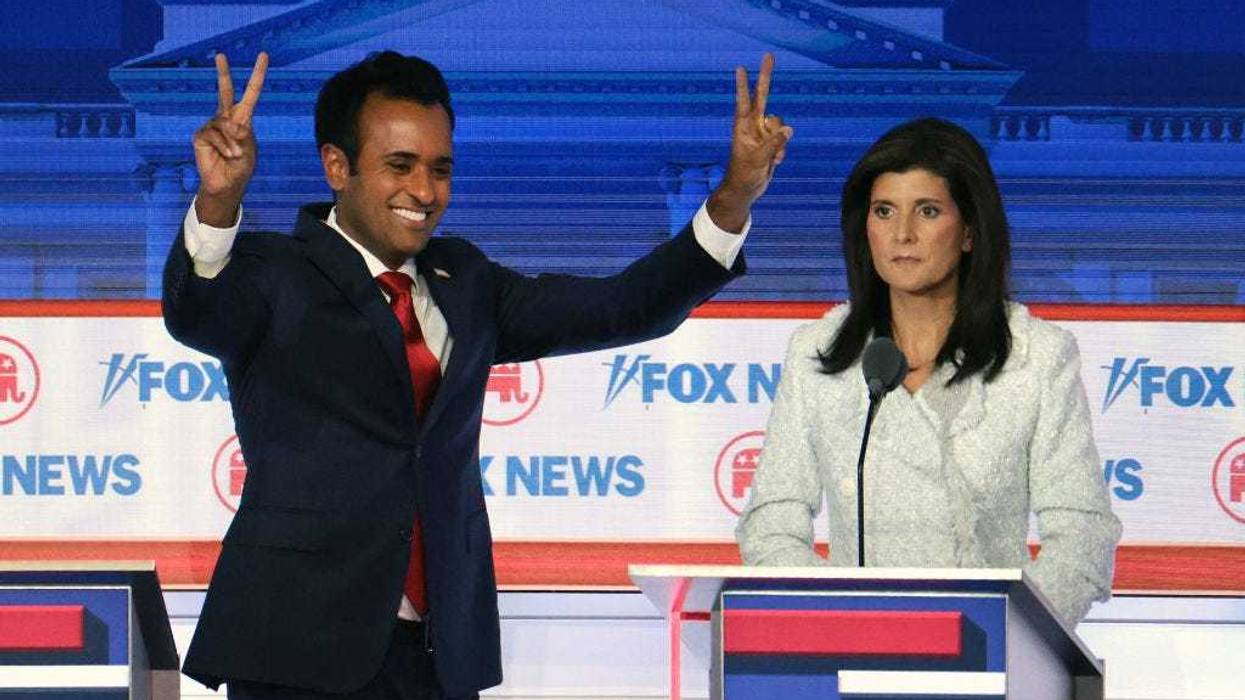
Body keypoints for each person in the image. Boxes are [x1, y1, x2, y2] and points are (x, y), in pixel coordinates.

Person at [164, 50, 792, 698]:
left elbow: (620, 308)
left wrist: (732, 197)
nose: (424, 191)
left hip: (440, 655)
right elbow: (197, 313)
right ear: (336, 167)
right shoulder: (274, 272)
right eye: (399, 166)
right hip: (292, 646)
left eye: (440, 169)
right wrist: (218, 201)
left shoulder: (464, 280)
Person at [735, 117, 1120, 626]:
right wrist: (840, 621)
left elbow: (1082, 538)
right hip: (854, 650)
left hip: (990, 656)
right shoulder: (817, 354)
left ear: (969, 232)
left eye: (929, 211)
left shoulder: (1038, 357)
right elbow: (771, 526)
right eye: (884, 211)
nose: (903, 235)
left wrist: (999, 636)